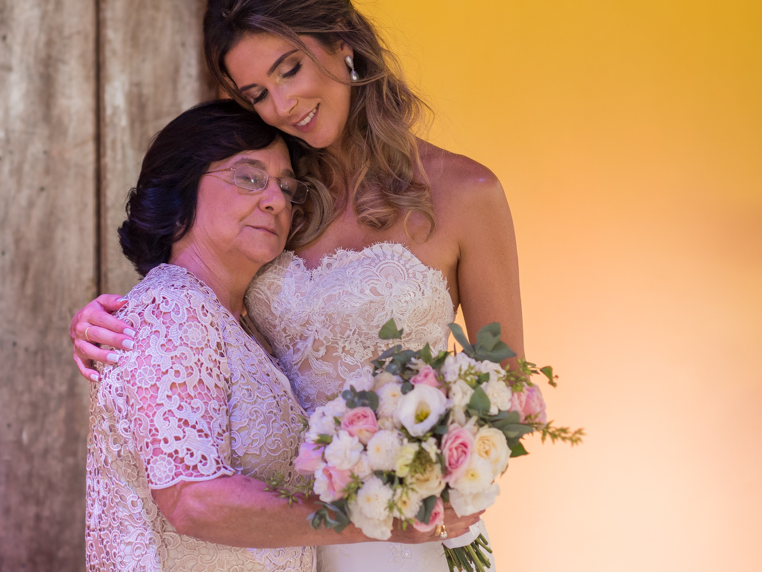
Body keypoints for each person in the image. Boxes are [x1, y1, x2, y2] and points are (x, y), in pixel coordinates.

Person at [72, 0, 521, 572]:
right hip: (272, 529)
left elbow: (508, 394)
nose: (281, 106)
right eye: (256, 92)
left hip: (400, 530)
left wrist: (420, 473)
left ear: (342, 41)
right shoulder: (278, 198)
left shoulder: (468, 195)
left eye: (290, 69)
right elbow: (201, 316)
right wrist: (116, 318)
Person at [84, 100, 477, 572]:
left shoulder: (241, 325)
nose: (275, 200)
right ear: (179, 192)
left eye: (287, 188)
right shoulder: (173, 309)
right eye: (248, 177)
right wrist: (377, 521)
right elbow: (191, 499)